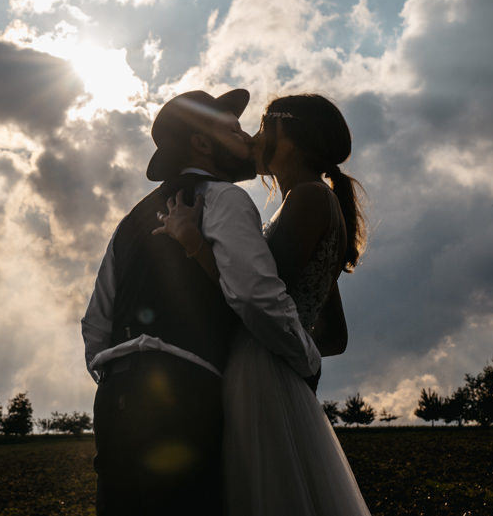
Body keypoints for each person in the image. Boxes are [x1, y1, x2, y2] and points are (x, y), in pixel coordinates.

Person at [81, 89, 321, 516]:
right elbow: (253, 295)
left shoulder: (128, 222)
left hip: (112, 403)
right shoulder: (224, 198)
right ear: (203, 144)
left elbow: (95, 326)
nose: (249, 138)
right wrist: (306, 359)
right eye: (234, 128)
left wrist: (124, 376)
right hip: (184, 397)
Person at [154, 94, 371, 516]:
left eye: (260, 128)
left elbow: (257, 300)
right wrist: (299, 356)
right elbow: (334, 335)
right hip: (277, 372)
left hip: (259, 372)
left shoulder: (308, 199)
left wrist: (194, 244)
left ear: (289, 137)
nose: (251, 139)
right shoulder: (316, 200)